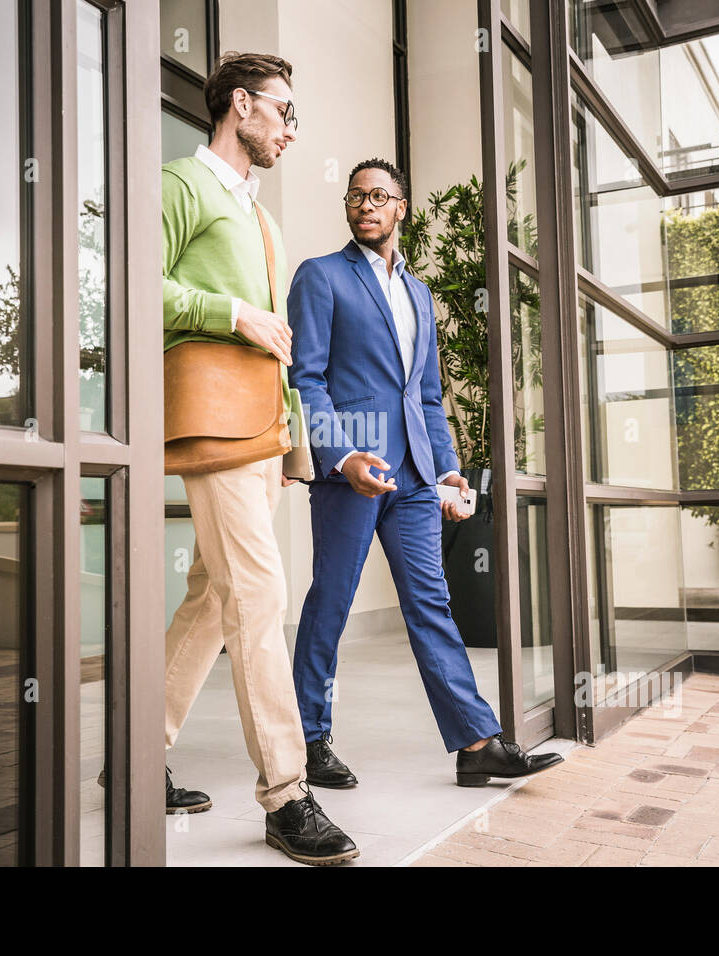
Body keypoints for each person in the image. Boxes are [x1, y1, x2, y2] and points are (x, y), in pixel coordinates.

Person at [287, 158, 566, 789]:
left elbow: (429, 396)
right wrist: (341, 456)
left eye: (379, 196)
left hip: (413, 477)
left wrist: (448, 469)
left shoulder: (419, 294)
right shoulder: (322, 277)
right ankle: (309, 737)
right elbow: (305, 379)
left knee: (431, 604)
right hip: (353, 474)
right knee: (331, 603)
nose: (366, 205)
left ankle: (475, 742)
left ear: (400, 208)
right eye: (356, 196)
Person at [158, 52, 357, 865]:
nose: (290, 130)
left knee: (212, 596)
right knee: (259, 592)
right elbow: (129, 283)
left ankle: (138, 751)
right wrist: (229, 311)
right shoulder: (182, 184)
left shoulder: (264, 219)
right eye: (282, 112)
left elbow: (282, 346)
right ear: (239, 106)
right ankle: (286, 793)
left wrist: (293, 441)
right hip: (210, 419)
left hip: (260, 430)